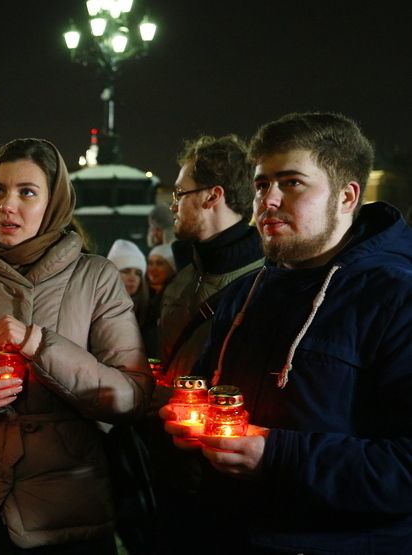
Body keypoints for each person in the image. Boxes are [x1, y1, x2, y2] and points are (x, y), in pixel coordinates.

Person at [162, 112, 412, 553]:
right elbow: (210, 398)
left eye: (292, 183)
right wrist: (192, 421)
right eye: (261, 185)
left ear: (347, 196)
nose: (268, 201)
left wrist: (276, 456)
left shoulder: (396, 296)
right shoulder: (244, 294)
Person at [0, 138, 152, 551]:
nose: (7, 205)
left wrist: (40, 343)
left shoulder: (96, 277)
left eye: (27, 192)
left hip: (66, 508)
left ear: (54, 201)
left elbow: (131, 396)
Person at [160, 135, 263, 384]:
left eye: (179, 193)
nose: (173, 206)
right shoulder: (183, 271)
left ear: (212, 196)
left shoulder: (265, 282)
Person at [107, 238, 153, 354]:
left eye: (138, 273)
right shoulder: (96, 307)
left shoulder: (151, 313)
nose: (132, 278)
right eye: (126, 271)